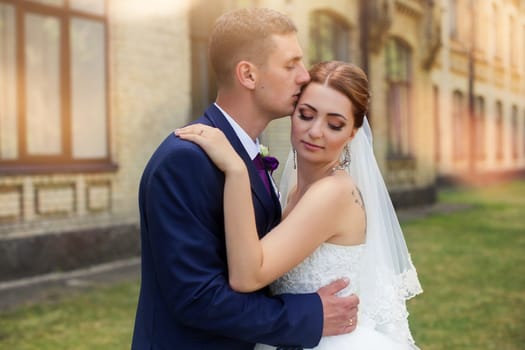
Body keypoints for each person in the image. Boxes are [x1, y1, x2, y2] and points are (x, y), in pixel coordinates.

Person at [131, 8, 359, 350]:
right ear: (248, 75)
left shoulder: (246, 154)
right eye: (290, 64)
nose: (303, 77)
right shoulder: (185, 161)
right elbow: (198, 298)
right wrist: (309, 315)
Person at [176, 60, 423, 349]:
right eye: (306, 115)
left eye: (334, 124)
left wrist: (236, 169)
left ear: (353, 133)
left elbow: (248, 276)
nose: (315, 131)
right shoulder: (294, 184)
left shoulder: (334, 193)